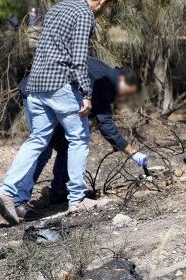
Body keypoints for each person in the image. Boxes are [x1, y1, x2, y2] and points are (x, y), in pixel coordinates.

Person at [0, 0, 118, 226]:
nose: (105, 11)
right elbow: (78, 59)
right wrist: (86, 93)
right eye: (107, 7)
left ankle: (6, 190)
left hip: (35, 85)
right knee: (79, 138)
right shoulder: (85, 16)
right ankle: (76, 199)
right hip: (59, 85)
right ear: (102, 2)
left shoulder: (59, 7)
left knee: (38, 139)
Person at [18, 57, 146, 209]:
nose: (123, 98)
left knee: (66, 144)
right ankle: (17, 200)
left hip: (49, 93)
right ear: (123, 80)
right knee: (42, 148)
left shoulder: (105, 73)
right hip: (37, 92)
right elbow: (105, 123)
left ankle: (59, 193)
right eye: (127, 93)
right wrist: (132, 152)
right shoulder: (105, 81)